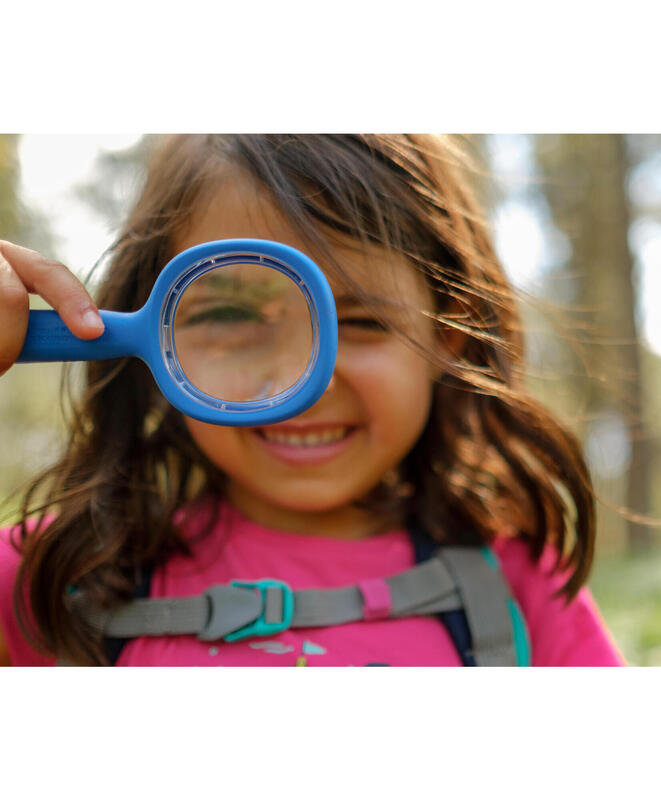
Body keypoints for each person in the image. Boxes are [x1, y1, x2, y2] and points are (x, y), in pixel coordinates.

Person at [0, 134, 623, 666]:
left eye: (362, 323)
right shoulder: (52, 576)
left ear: (446, 337)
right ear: (158, 338)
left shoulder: (516, 581)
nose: (306, 382)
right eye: (232, 318)